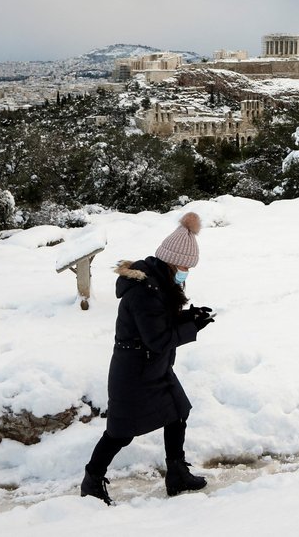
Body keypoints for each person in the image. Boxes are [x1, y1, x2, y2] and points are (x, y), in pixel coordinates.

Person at [81, 211, 216, 505]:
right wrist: (192, 328)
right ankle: (92, 480)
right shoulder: (144, 291)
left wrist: (191, 316)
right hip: (134, 371)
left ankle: (177, 473)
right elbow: (158, 338)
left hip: (153, 366)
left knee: (178, 411)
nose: (186, 273)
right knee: (120, 432)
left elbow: (161, 324)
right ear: (171, 262)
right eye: (184, 266)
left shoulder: (159, 283)